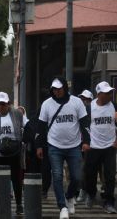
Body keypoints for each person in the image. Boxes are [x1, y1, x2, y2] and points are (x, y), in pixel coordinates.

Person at [36, 76, 90, 219]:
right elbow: (41, 127)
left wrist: (87, 141)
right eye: (54, 89)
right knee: (58, 176)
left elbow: (84, 122)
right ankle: (63, 206)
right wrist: (39, 146)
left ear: (65, 88)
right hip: (54, 146)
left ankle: (70, 196)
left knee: (77, 177)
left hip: (74, 146)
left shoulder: (76, 102)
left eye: (59, 89)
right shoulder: (46, 104)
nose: (57, 91)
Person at [0, 92, 24, 215]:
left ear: (8, 104)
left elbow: (24, 127)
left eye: (3, 104)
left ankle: (19, 205)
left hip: (13, 154)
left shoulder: (17, 114)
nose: (1, 107)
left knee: (16, 179)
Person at [84, 81, 117, 213]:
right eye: (107, 92)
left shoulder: (114, 106)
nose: (110, 94)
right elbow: (85, 126)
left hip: (110, 146)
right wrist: (85, 142)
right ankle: (91, 194)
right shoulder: (90, 108)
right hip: (93, 146)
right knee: (90, 173)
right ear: (99, 94)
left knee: (110, 176)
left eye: (110, 92)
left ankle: (109, 201)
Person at [76, 89, 93, 202]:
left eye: (85, 99)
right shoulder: (77, 110)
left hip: (92, 144)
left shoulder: (93, 111)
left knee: (87, 168)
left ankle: (86, 191)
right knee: (79, 168)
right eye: (82, 99)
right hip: (78, 143)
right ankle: (80, 190)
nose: (83, 101)